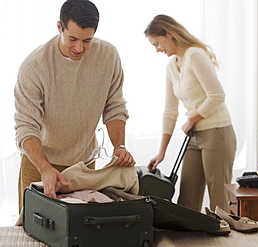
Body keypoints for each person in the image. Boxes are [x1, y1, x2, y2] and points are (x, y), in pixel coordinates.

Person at [14, 0, 135, 212]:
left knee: (82, 229)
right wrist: (45, 168)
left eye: (87, 40)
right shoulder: (35, 66)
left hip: (84, 165)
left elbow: (114, 106)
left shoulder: (108, 56)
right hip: (39, 165)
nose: (79, 48)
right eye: (73, 39)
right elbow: (26, 126)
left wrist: (119, 146)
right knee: (34, 231)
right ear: (59, 27)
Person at [144, 15, 237, 212]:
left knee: (218, 198)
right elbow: (170, 111)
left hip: (217, 132)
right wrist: (162, 152)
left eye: (157, 43)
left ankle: (224, 241)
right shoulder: (171, 66)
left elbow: (217, 96)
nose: (157, 49)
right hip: (194, 136)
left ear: (168, 34)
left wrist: (192, 118)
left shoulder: (194, 55)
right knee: (187, 199)